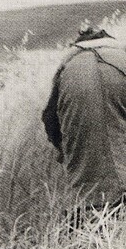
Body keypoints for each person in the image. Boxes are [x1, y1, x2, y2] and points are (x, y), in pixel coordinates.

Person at [42, 26, 126, 221]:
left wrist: (65, 152)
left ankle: (99, 219)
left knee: (93, 196)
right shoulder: (121, 56)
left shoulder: (67, 66)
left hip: (88, 178)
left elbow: (50, 119)